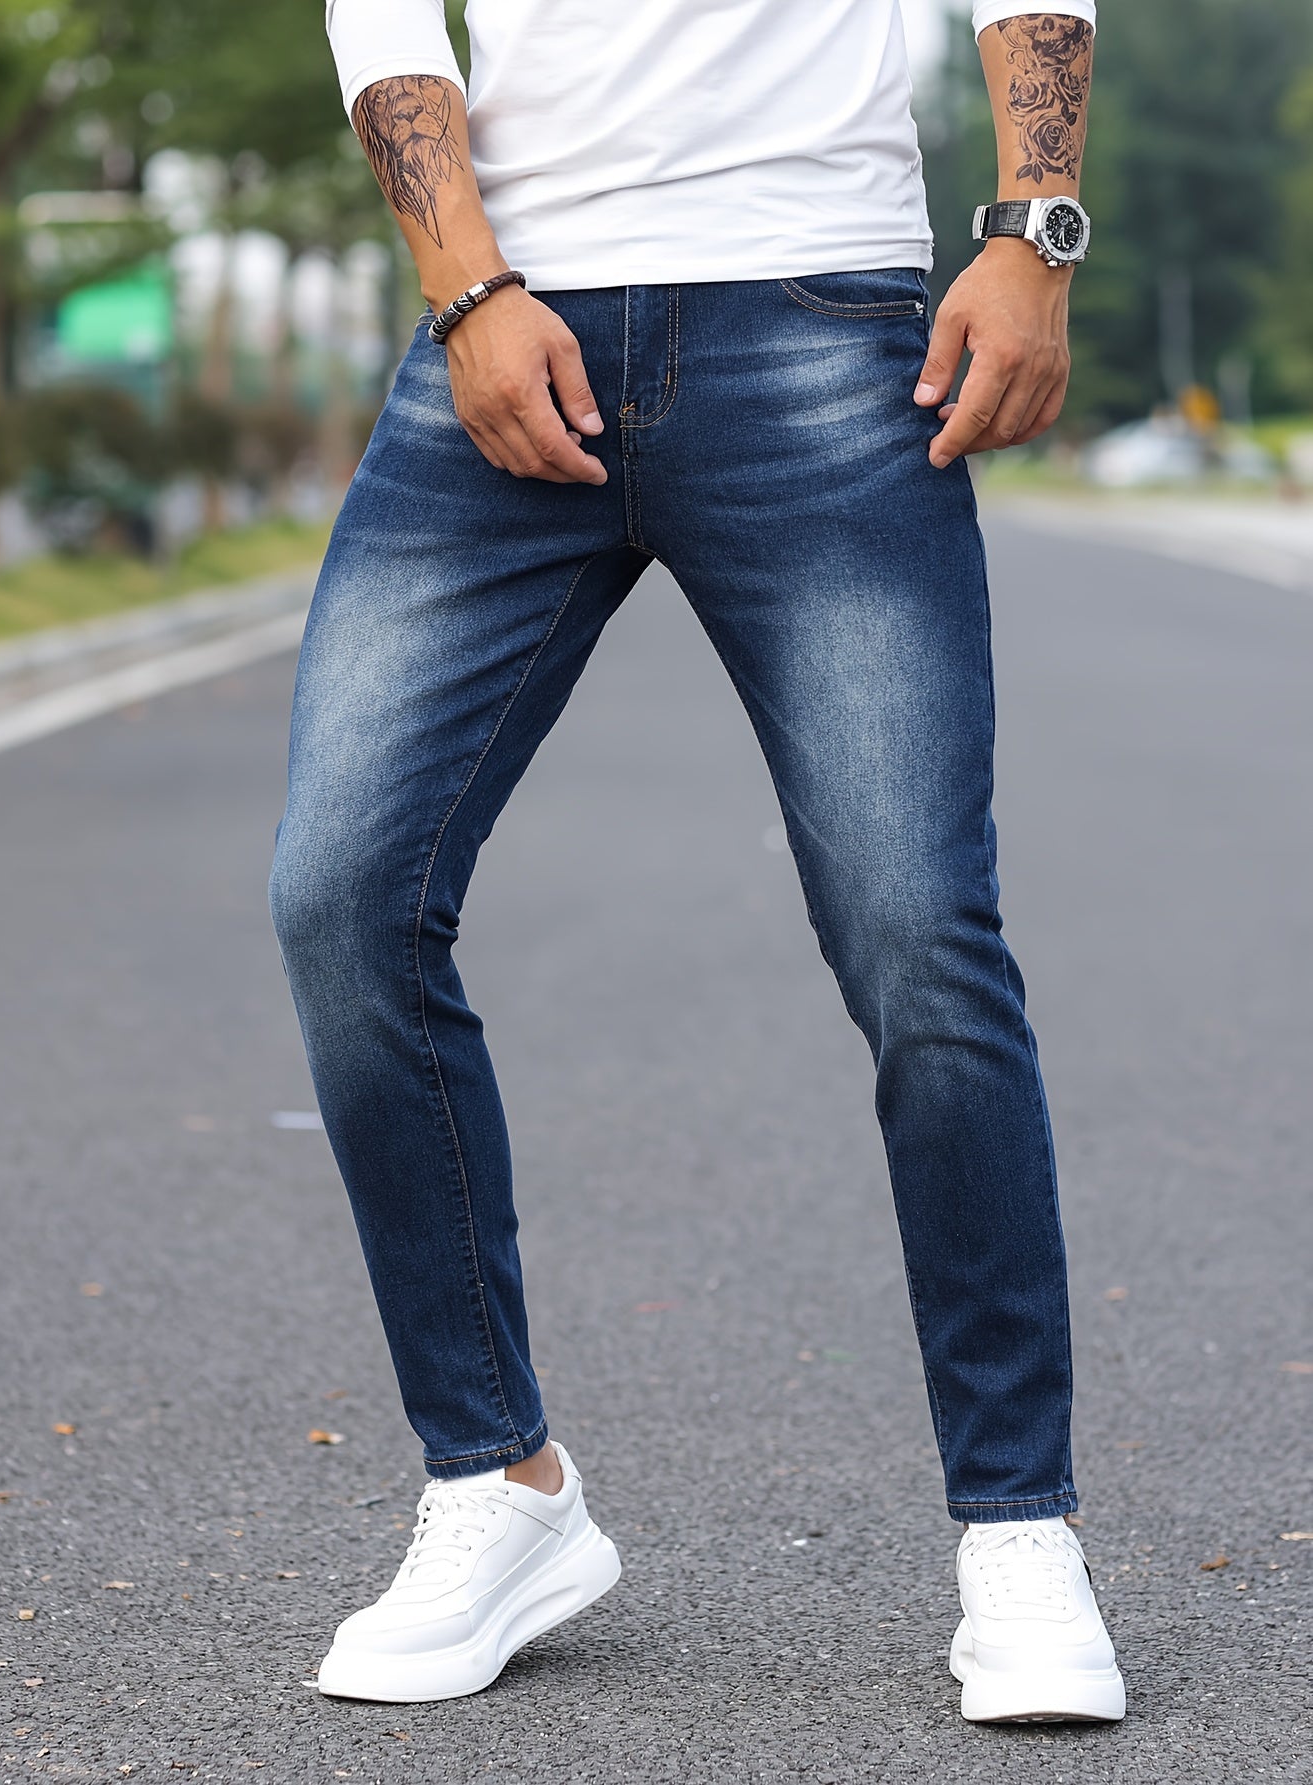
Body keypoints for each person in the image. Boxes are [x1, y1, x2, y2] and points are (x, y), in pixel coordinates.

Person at [268, 0, 1125, 1723]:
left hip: (816, 308)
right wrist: (467, 286)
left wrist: (1034, 232)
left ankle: (1018, 1526)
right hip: (510, 326)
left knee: (915, 928)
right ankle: (496, 1483)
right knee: (341, 895)